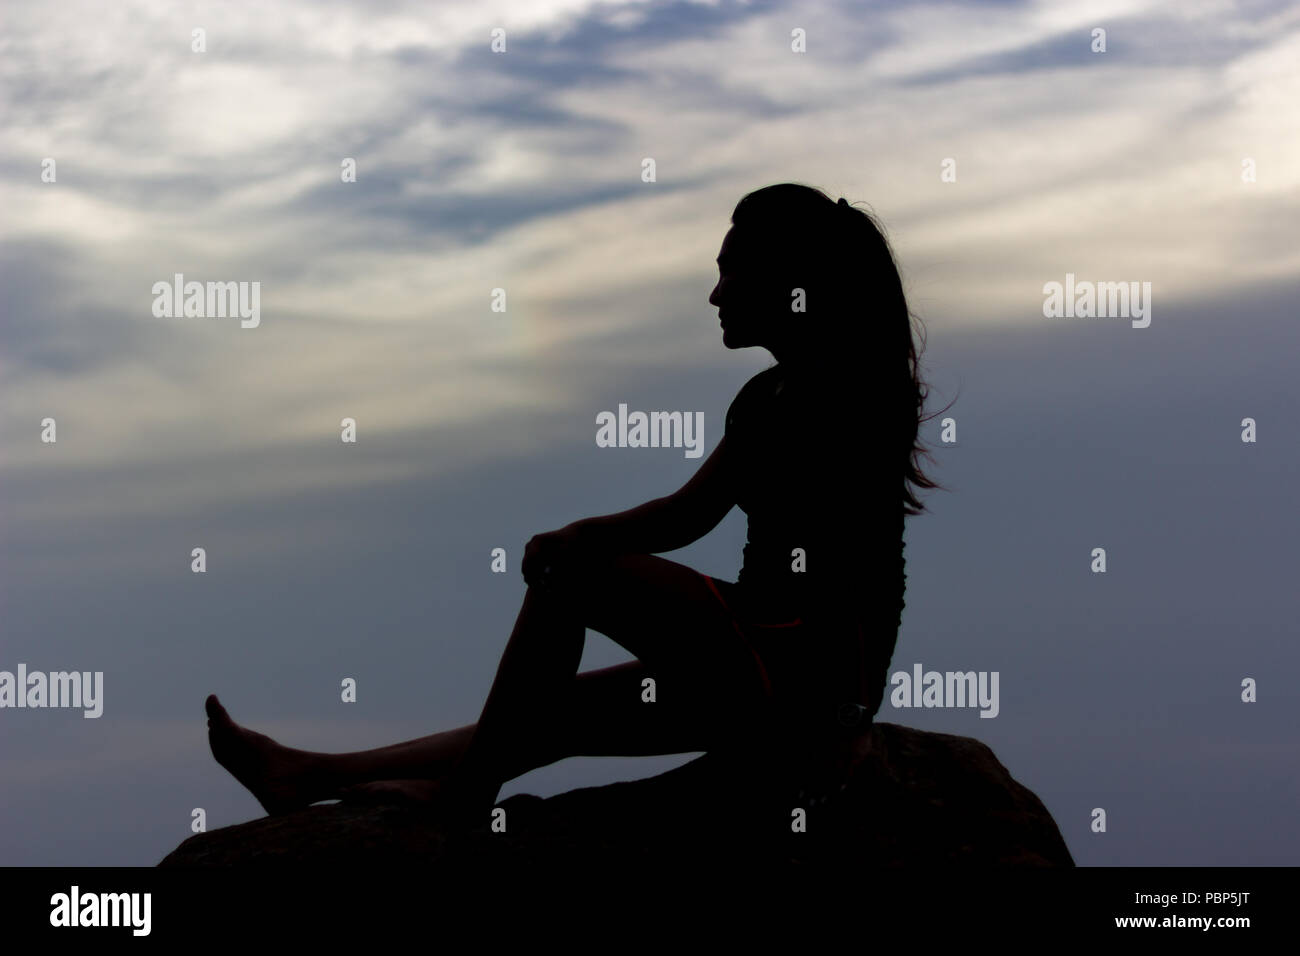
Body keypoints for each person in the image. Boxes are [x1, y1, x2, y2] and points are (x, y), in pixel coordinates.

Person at [205, 182, 943, 822]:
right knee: (540, 713)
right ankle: (308, 776)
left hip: (795, 669)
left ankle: (465, 798)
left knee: (576, 578)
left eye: (731, 271)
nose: (715, 293)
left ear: (788, 276)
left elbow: (848, 577)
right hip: (753, 660)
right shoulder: (768, 396)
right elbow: (688, 513)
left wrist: (848, 719)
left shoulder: (842, 395)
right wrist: (582, 533)